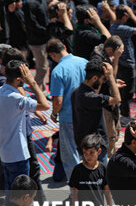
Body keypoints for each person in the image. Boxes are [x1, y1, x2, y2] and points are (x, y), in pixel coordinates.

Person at [0, 61, 49, 192]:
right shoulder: (17, 99)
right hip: (18, 154)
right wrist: (32, 83)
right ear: (18, 79)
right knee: (21, 195)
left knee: (10, 191)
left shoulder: (2, 92)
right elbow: (45, 105)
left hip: (5, 153)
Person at [47, 39, 88, 179]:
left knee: (71, 156)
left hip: (69, 117)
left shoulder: (57, 71)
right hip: (87, 113)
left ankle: (76, 191)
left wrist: (53, 114)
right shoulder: (83, 62)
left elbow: (58, 100)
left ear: (52, 55)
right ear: (64, 47)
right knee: (90, 151)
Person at [71, 60, 121, 165]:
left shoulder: (77, 91)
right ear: (94, 78)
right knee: (100, 177)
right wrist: (111, 77)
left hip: (85, 142)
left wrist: (114, 85)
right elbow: (117, 99)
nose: (103, 82)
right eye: (103, 79)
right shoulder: (90, 97)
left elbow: (96, 92)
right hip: (95, 144)